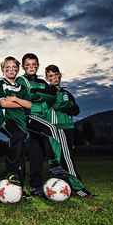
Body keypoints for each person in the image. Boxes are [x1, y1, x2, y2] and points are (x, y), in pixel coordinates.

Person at [16, 53, 69, 198]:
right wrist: (39, 102)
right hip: (29, 117)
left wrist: (39, 99)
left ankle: (35, 187)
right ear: (23, 67)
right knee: (51, 128)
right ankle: (54, 165)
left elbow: (50, 98)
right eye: (27, 65)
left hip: (41, 117)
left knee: (36, 152)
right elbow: (26, 98)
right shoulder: (21, 80)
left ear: (38, 65)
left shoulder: (42, 82)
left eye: (34, 65)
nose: (31, 67)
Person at [44, 65, 96, 198]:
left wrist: (67, 105)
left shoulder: (67, 93)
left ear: (60, 75)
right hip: (56, 127)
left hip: (68, 127)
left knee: (66, 158)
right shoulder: (46, 91)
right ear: (47, 78)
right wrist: (67, 106)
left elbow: (76, 109)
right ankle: (78, 188)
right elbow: (54, 105)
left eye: (56, 75)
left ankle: (64, 187)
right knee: (64, 159)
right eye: (50, 76)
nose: (54, 78)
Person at [0, 57, 31, 192]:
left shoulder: (21, 87)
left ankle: (19, 182)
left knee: (20, 147)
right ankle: (11, 170)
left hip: (21, 121)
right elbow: (4, 103)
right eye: (7, 67)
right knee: (17, 135)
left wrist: (15, 99)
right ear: (3, 70)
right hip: (7, 120)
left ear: (18, 69)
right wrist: (20, 103)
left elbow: (29, 105)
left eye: (14, 67)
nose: (11, 70)